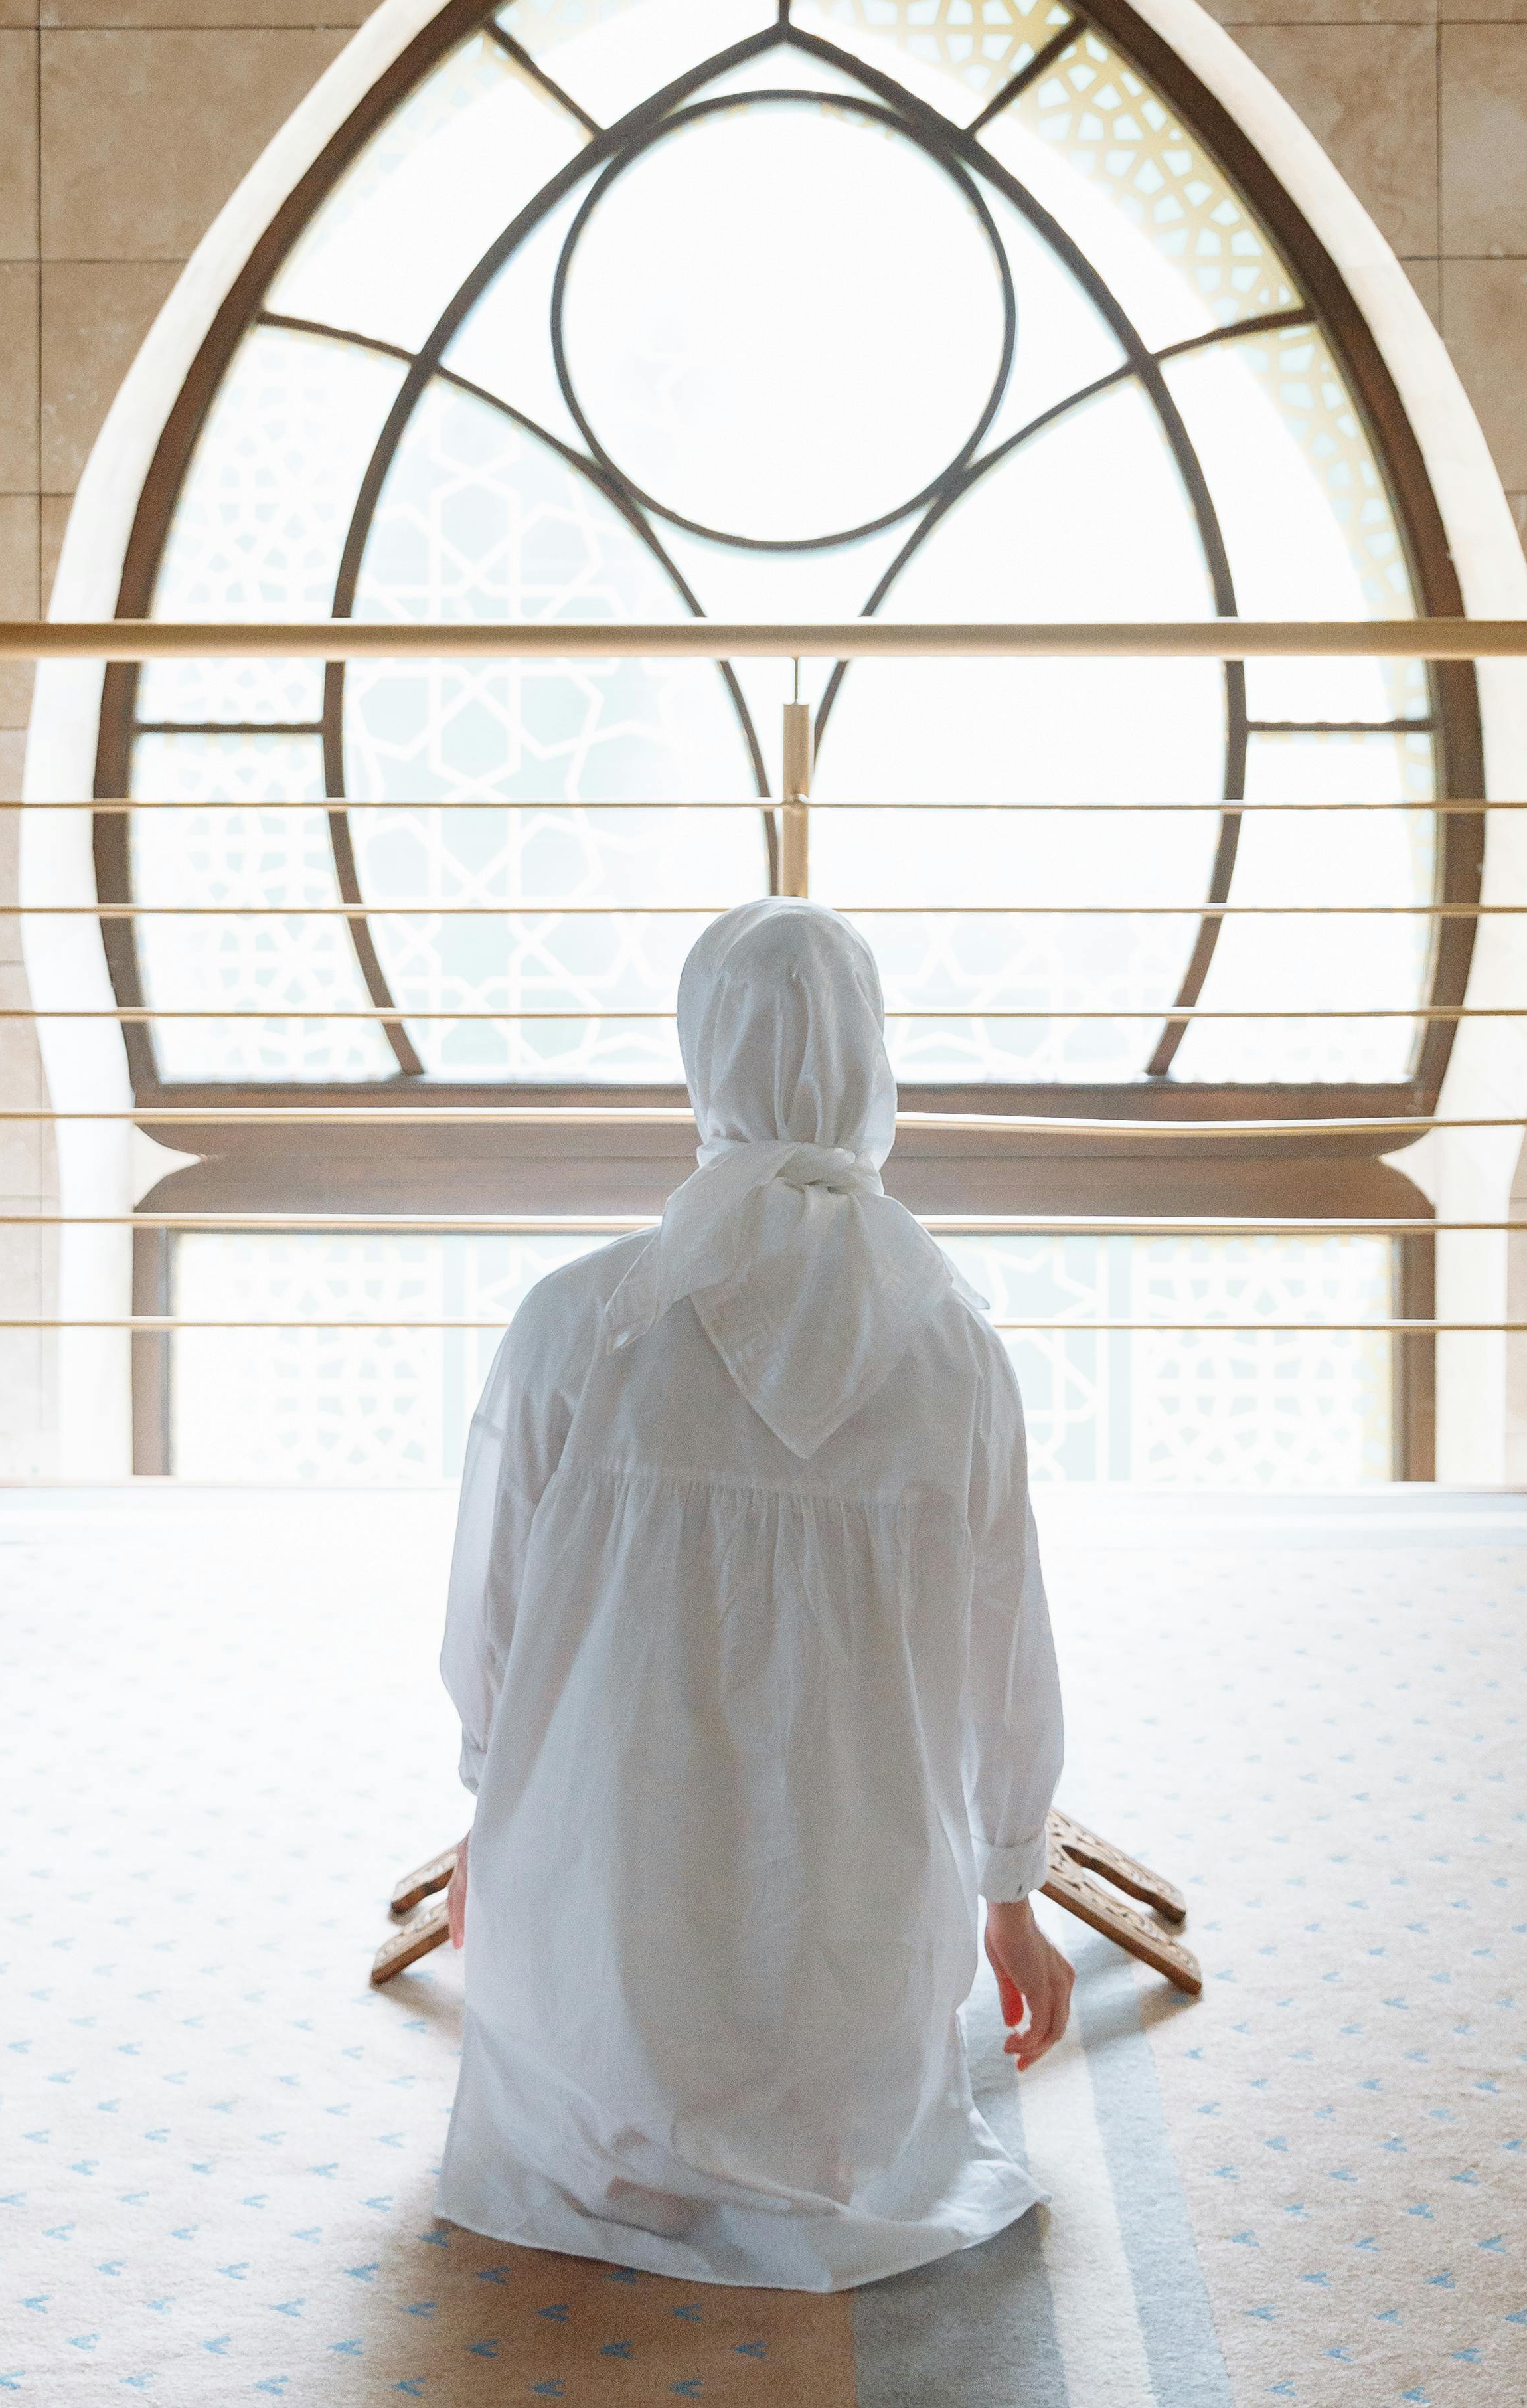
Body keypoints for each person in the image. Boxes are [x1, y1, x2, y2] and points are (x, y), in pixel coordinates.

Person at [433, 896, 1072, 2290]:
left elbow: (485, 1625)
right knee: (845, 1997)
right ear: (871, 1061)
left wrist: (491, 1816)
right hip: (851, 1954)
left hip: (607, 1917)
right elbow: (1003, 1657)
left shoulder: (578, 1318)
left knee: (594, 1981)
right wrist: (1011, 1887)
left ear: (697, 1057)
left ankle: (627, 2131)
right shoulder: (953, 1348)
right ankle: (802, 2134)